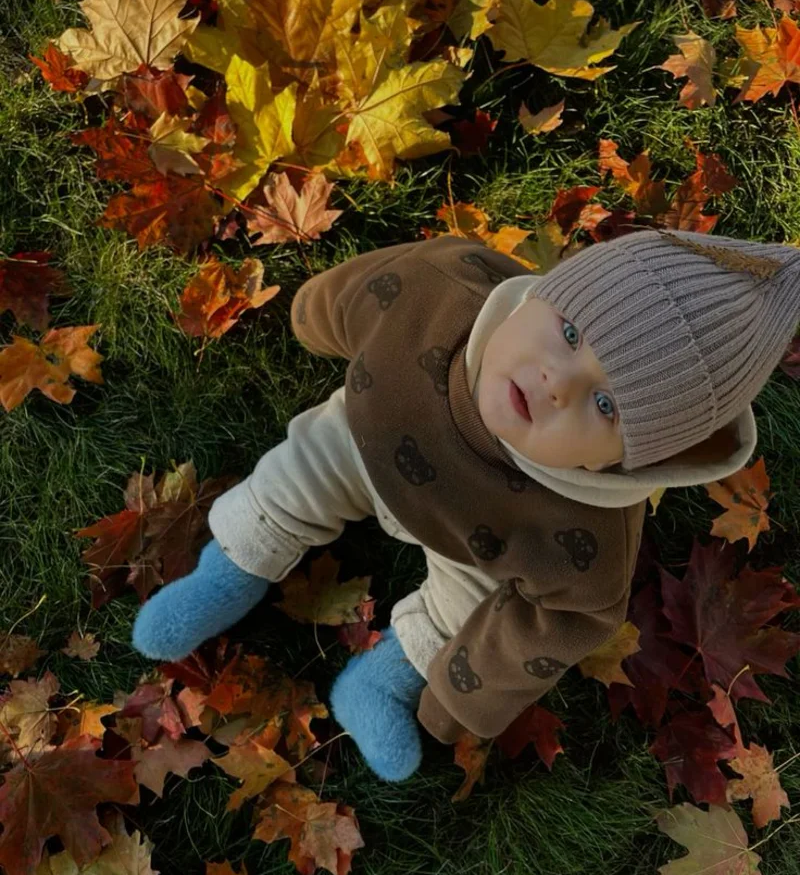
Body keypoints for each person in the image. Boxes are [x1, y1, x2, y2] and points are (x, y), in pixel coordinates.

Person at [132, 227, 800, 781]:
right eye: (571, 334)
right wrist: (314, 315)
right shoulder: (439, 288)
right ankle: (229, 572)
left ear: (626, 462)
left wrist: (454, 701)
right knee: (297, 473)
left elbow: (556, 626)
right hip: (371, 439)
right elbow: (363, 291)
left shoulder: (588, 536)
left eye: (605, 404)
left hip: (478, 543)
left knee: (467, 609)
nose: (556, 382)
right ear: (542, 294)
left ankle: (384, 679)